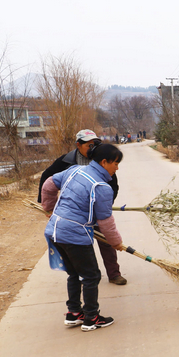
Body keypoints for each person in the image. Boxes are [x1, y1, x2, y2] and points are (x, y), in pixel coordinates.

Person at [40, 144, 124, 331]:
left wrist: (49, 208)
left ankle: (74, 313)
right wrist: (116, 242)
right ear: (104, 162)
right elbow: (105, 222)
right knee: (91, 275)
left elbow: (48, 184)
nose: (117, 168)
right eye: (115, 163)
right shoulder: (102, 187)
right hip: (74, 235)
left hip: (55, 230)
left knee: (75, 273)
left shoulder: (74, 170)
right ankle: (92, 317)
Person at [38, 129, 127, 285]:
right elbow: (48, 180)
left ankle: (114, 273)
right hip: (75, 218)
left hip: (96, 212)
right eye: (89, 145)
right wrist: (49, 207)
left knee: (106, 241)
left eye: (96, 144)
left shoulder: (103, 160)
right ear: (78, 145)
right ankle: (83, 277)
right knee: (81, 249)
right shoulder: (67, 161)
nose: (93, 148)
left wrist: (104, 204)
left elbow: (113, 186)